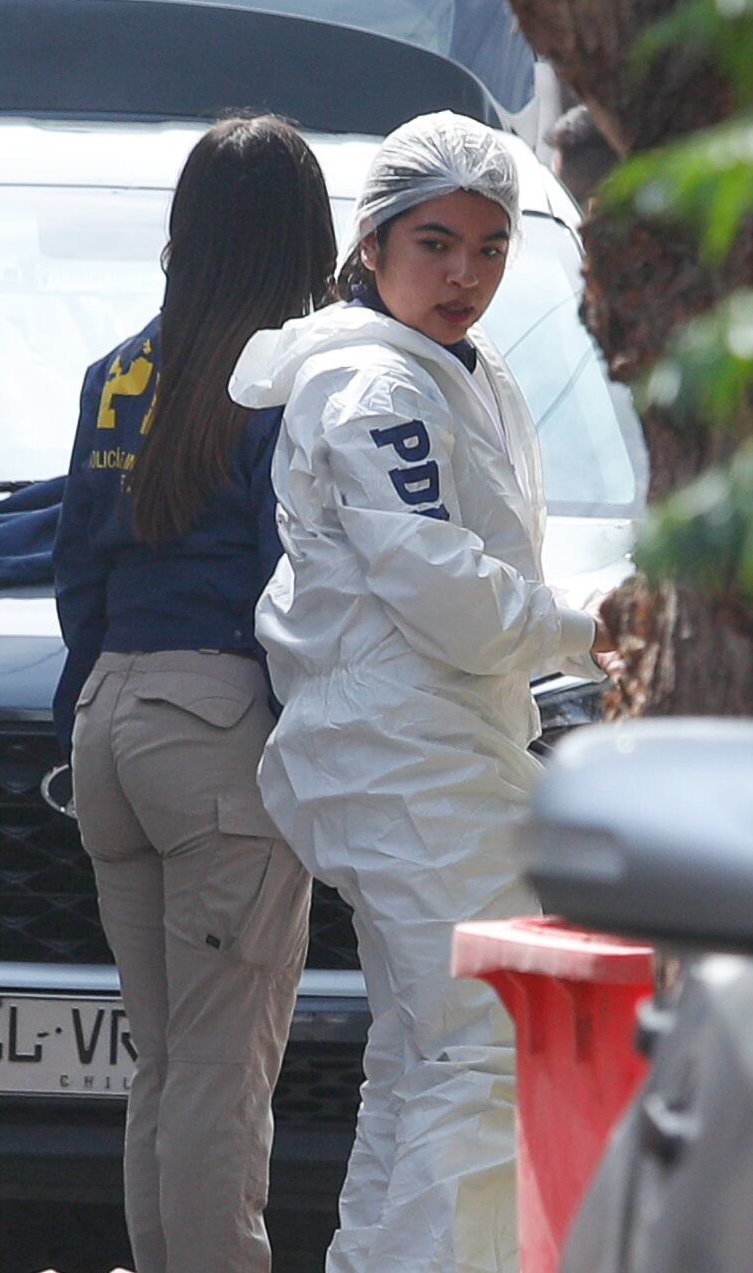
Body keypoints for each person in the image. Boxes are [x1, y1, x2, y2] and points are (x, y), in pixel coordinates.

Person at [228, 112, 616, 1273]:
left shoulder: (455, 369)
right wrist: (598, 627)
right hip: (407, 754)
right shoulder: (374, 387)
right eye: (436, 243)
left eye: (490, 248)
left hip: (435, 746)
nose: (465, 275)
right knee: (489, 1045)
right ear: (374, 242)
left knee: (424, 1058)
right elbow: (446, 591)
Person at [54, 114, 337, 1273]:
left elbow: (75, 573)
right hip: (219, 733)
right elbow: (302, 586)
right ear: (304, 235)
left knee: (166, 1066)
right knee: (223, 1078)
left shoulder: (116, 372)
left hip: (108, 721)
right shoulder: (292, 379)